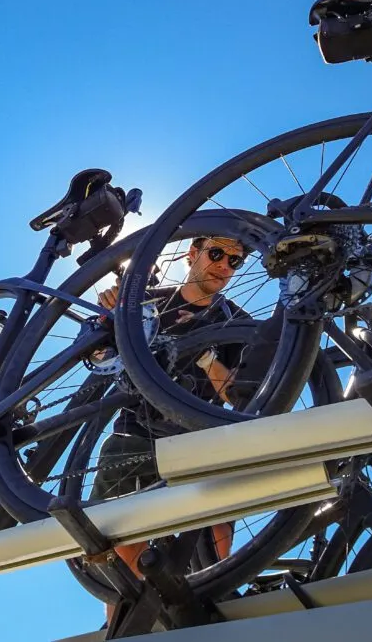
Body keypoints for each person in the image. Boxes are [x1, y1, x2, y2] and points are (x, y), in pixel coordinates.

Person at [92, 236, 250, 622]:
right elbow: (101, 357)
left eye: (235, 261)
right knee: (115, 537)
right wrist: (107, 317)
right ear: (191, 254)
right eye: (216, 254)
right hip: (137, 428)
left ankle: (208, 604)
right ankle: (120, 625)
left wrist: (207, 355)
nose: (225, 266)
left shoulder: (237, 323)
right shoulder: (144, 303)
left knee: (215, 535)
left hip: (199, 437)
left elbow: (238, 397)